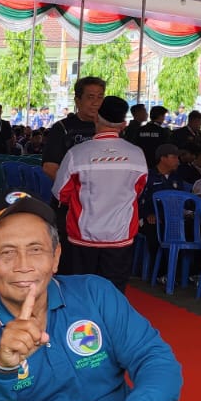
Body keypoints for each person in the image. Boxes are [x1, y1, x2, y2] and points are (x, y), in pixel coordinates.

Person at [0, 192, 180, 401]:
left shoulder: (96, 294)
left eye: (36, 250)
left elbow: (156, 361)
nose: (24, 265)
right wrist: (1, 365)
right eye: (7, 253)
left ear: (56, 257)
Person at [52, 96, 148, 290]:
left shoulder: (77, 153)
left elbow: (61, 194)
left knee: (80, 290)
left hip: (83, 236)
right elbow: (138, 190)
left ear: (96, 117)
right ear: (123, 124)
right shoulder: (137, 154)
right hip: (120, 236)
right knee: (113, 292)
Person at [41, 76, 103, 180]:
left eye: (100, 97)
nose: (96, 103)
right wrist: (76, 187)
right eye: (90, 97)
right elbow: (49, 167)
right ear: (77, 101)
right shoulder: (62, 128)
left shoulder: (110, 127)